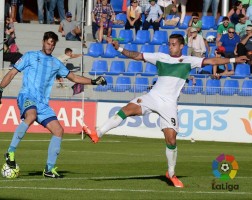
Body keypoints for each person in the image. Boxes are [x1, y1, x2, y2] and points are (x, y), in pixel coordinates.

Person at [82, 34, 248, 188]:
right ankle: (99, 133)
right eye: (169, 44)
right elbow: (137, 55)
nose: (170, 47)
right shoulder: (160, 57)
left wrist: (233, 59)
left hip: (169, 105)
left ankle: (171, 173)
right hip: (153, 96)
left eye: (174, 44)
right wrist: (119, 48)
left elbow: (212, 61)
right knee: (127, 109)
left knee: (171, 140)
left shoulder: (189, 60)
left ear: (181, 46)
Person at [0, 31, 107, 178]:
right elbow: (11, 73)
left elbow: (74, 77)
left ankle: (49, 169)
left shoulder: (56, 63)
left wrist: (93, 81)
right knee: (31, 115)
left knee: (58, 130)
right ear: (43, 42)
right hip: (27, 96)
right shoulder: (30, 56)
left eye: (53, 44)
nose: (50, 46)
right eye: (48, 43)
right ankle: (10, 152)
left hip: (42, 103)